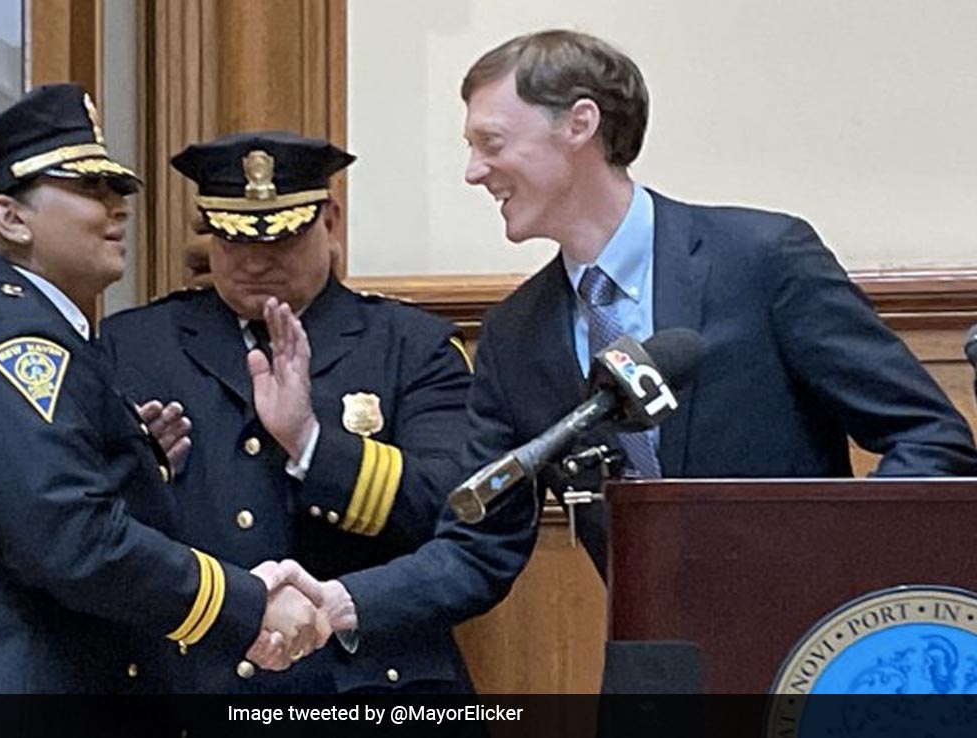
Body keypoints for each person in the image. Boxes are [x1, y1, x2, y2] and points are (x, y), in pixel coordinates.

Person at [272, 27, 977, 660]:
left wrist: (841, 576)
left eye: (491, 143)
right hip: (651, 674)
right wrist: (346, 602)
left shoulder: (761, 261)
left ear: (580, 123)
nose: (473, 172)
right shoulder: (515, 336)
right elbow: (479, 545)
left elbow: (929, 439)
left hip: (819, 658)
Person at [0, 85, 324, 694]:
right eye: (89, 188)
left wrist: (135, 465)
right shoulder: (12, 341)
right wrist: (244, 602)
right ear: (9, 217)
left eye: (117, 190)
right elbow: (74, 540)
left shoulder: (26, 328)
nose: (117, 208)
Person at [99, 131, 477, 693]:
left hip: (366, 688)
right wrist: (137, 467)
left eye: (280, 240)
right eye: (232, 239)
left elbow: (457, 516)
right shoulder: (131, 345)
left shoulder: (411, 346)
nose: (255, 261)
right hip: (193, 685)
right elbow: (84, 527)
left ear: (330, 221)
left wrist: (312, 444)